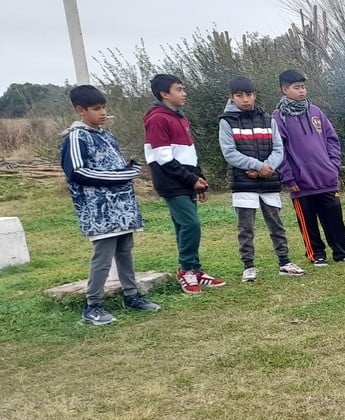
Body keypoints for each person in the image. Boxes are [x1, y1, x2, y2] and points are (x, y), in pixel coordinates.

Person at [61, 85, 162, 324]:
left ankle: (132, 295)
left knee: (125, 251)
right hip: (99, 209)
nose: (103, 113)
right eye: (97, 108)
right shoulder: (76, 137)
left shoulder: (107, 135)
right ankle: (93, 304)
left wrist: (128, 171)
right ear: (80, 110)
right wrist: (122, 176)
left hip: (123, 208)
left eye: (104, 107)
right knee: (103, 257)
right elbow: (77, 172)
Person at [218, 76, 305, 282]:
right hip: (243, 182)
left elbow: (278, 149)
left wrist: (268, 167)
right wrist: (256, 166)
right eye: (240, 96)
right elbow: (229, 152)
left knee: (276, 223)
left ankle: (284, 262)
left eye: (249, 95)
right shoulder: (226, 121)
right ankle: (248, 266)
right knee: (246, 226)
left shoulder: (268, 119)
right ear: (232, 97)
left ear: (254, 95)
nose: (245, 99)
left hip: (269, 181)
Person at [144, 73, 224, 294]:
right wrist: (190, 179)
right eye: (179, 89)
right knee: (191, 224)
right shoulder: (158, 119)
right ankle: (185, 270)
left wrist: (200, 179)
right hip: (172, 182)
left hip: (187, 180)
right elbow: (163, 157)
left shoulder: (179, 117)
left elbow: (189, 153)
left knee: (183, 226)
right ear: (164, 94)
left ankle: (195, 271)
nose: (184, 93)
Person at [274, 69, 345, 267]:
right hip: (301, 182)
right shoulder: (279, 118)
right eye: (297, 88)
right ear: (285, 89)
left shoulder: (316, 112)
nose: (302, 91)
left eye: (303, 87)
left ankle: (342, 252)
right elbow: (279, 150)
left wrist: (333, 164)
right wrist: (288, 177)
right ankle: (316, 254)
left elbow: (332, 139)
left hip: (326, 178)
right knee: (308, 221)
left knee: (334, 218)